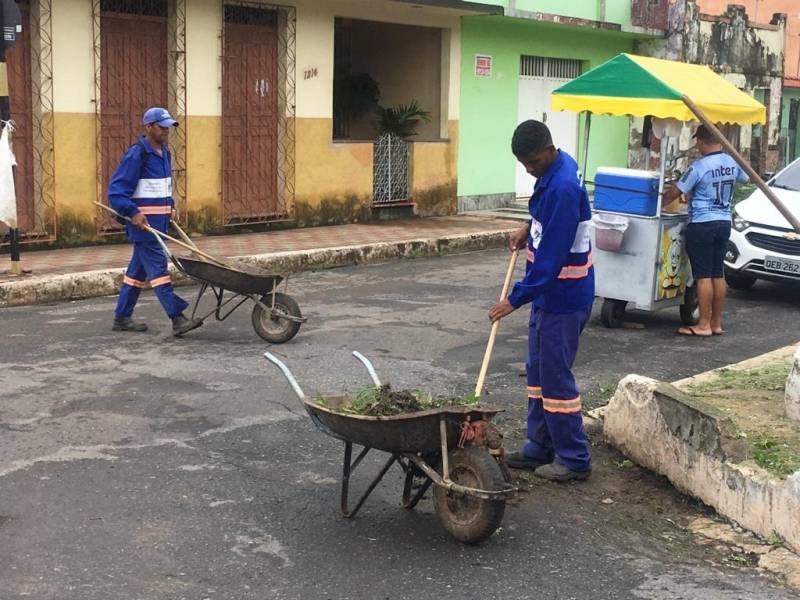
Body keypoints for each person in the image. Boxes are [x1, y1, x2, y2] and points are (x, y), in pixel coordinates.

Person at [489, 120, 594, 482]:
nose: (529, 169)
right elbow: (545, 221)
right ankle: (540, 445)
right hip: (549, 297)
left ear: (548, 150)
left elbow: (549, 262)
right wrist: (526, 227)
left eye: (532, 162)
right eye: (523, 164)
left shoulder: (563, 187)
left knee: (555, 380)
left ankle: (573, 457)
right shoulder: (557, 169)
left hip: (563, 296)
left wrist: (513, 299)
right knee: (537, 371)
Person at [109, 107, 202, 337]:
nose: (166, 131)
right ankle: (177, 317)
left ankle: (122, 317)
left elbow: (163, 186)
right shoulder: (137, 154)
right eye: (161, 127)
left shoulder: (165, 153)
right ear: (148, 127)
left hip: (159, 224)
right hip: (144, 226)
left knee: (137, 272)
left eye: (168, 127)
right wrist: (133, 212)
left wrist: (170, 206)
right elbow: (116, 191)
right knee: (159, 270)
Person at [662, 125, 748, 337]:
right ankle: (716, 323)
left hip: (702, 224)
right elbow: (746, 177)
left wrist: (659, 204)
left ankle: (702, 325)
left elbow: (676, 191)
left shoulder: (699, 166)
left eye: (697, 141)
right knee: (717, 273)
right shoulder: (732, 161)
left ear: (701, 140)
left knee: (703, 276)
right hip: (723, 222)